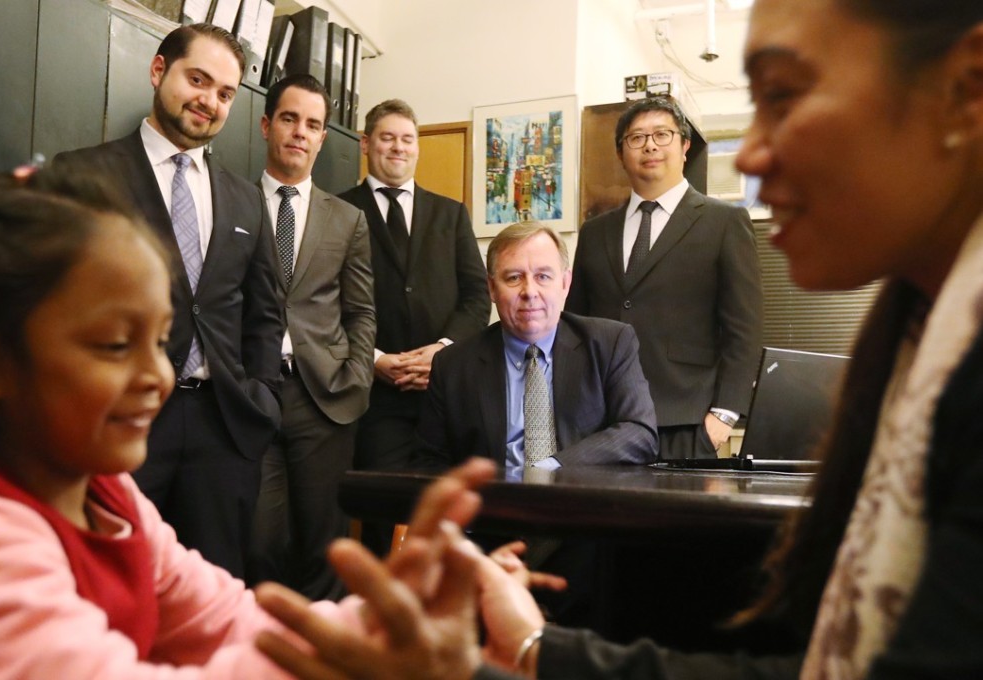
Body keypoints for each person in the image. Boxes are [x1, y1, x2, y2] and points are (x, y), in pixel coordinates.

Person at [250, 0, 983, 677]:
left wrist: (719, 412)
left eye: (784, 97)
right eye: (511, 278)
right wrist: (511, 654)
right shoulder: (917, 338)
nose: (751, 155)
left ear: (966, 89)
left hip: (675, 431)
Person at [0, 166, 331, 678]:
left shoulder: (109, 492)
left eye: (161, 342)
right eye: (115, 345)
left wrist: (393, 622)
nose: (157, 375)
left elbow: (226, 617)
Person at [54, 24, 284, 578]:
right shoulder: (83, 175)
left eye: (226, 93)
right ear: (159, 71)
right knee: (111, 582)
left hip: (223, 427)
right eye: (197, 80)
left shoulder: (246, 199)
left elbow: (264, 311)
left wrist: (262, 394)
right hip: (121, 424)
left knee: (216, 587)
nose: (209, 101)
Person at [565, 95, 763, 460]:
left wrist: (724, 415)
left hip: (686, 420)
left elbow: (744, 330)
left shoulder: (724, 223)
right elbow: (575, 325)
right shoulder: (595, 232)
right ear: (621, 153)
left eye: (662, 134)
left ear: (685, 146)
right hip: (603, 420)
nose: (650, 145)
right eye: (636, 138)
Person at [339, 98, 491, 554]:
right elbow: (323, 303)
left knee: (447, 519)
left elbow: (476, 296)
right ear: (367, 144)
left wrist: (441, 350)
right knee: (383, 520)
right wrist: (376, 359)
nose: (398, 148)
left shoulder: (451, 214)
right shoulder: (338, 210)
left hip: (442, 395)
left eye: (407, 139)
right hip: (373, 398)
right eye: (387, 138)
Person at [248, 73, 375, 601]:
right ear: (266, 125)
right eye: (290, 118)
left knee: (326, 548)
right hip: (251, 396)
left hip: (324, 400)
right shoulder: (230, 201)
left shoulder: (347, 219)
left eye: (314, 124)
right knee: (258, 543)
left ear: (324, 137)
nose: (301, 132)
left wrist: (357, 378)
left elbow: (362, 312)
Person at [413, 221, 658, 476]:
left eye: (543, 276)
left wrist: (550, 467)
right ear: (492, 288)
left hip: (584, 504)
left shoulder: (610, 343)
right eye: (514, 277)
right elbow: (429, 463)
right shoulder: (452, 365)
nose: (530, 291)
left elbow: (639, 432)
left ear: (565, 283)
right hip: (493, 507)